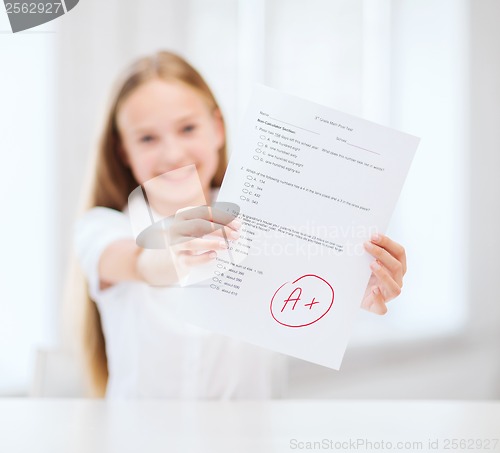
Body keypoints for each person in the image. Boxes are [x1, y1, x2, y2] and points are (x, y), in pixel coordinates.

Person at [73, 51, 407, 399]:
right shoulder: (102, 228)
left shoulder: (270, 216)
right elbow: (138, 263)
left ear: (217, 128)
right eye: (147, 138)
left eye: (188, 128)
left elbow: (304, 299)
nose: (172, 154)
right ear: (123, 151)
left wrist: (354, 284)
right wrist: (176, 254)